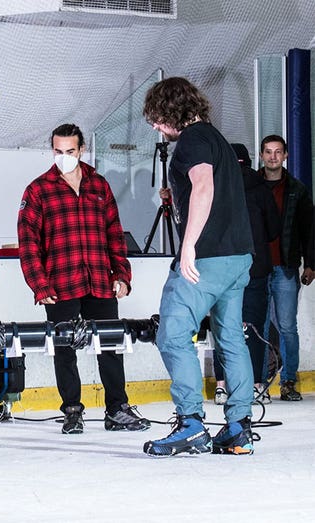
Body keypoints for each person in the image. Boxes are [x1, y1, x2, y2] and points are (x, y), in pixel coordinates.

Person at [142, 77, 256, 457]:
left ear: (171, 110)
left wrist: (188, 246)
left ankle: (190, 424)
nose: (157, 127)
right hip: (238, 256)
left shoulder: (191, 140)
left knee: (173, 334)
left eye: (157, 119)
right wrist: (178, 195)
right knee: (230, 340)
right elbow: (212, 191)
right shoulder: (216, 138)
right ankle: (238, 427)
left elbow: (205, 188)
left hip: (207, 258)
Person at [18, 123, 149, 435]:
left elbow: (115, 235)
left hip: (99, 280)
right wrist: (39, 284)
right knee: (65, 349)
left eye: (70, 151)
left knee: (111, 345)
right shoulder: (38, 190)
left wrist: (122, 276)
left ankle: (117, 409)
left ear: (82, 150)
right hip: (60, 283)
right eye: (58, 151)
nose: (64, 157)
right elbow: (28, 242)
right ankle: (72, 411)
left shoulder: (98, 186)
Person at [210, 144, 280, 406]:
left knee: (225, 326)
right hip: (255, 268)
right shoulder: (261, 189)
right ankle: (254, 385)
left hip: (223, 268)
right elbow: (273, 230)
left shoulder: (217, 186)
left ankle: (222, 386)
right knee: (253, 329)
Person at [257, 135, 314, 402]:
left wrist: (311, 263)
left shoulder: (297, 189)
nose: (272, 157)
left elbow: (308, 230)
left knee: (288, 327)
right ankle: (260, 382)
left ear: (286, 156)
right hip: (257, 269)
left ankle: (289, 381)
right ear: (261, 155)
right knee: (259, 326)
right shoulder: (252, 186)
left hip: (286, 268)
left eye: (278, 152)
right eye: (268, 152)